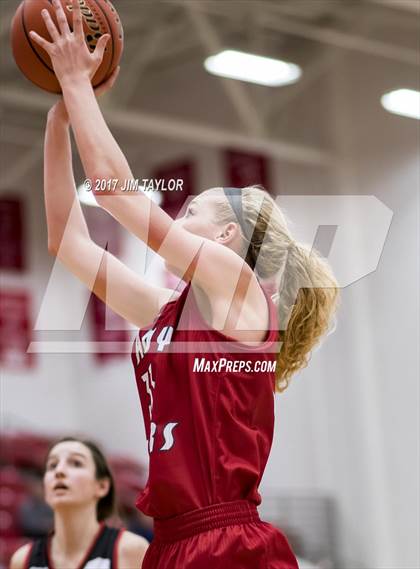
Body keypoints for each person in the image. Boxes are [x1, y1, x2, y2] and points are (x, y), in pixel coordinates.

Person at [29, 1, 340, 566]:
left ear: (225, 235)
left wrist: (78, 82)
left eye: (193, 209)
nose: (180, 213)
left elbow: (118, 193)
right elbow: (67, 244)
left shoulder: (239, 286)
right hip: (170, 541)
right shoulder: (170, 311)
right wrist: (59, 122)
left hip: (227, 539)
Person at [10, 438, 149, 569]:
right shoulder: (22, 560)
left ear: (102, 486)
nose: (59, 471)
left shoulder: (131, 550)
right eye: (52, 465)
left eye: (76, 463)